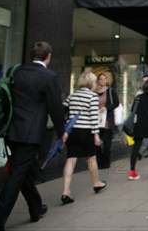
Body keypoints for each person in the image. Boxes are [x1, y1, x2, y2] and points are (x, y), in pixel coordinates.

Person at [0, 42, 66, 231]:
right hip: (30, 135)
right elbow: (56, 108)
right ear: (48, 56)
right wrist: (61, 131)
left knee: (20, 170)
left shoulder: (16, 72)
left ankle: (36, 207)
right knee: (16, 175)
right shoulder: (49, 76)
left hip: (11, 131)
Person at [61, 71, 107, 205]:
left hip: (72, 132)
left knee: (71, 160)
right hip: (86, 132)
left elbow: (63, 110)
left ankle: (65, 192)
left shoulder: (72, 96)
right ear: (91, 82)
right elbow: (93, 117)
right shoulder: (92, 96)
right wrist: (96, 135)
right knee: (91, 158)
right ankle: (97, 183)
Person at [94, 72, 120, 169]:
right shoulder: (94, 91)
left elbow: (116, 103)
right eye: (101, 79)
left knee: (107, 144)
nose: (103, 81)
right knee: (96, 143)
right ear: (98, 80)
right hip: (96, 120)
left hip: (107, 121)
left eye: (105, 79)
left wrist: (106, 108)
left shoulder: (110, 91)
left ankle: (106, 163)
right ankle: (100, 162)